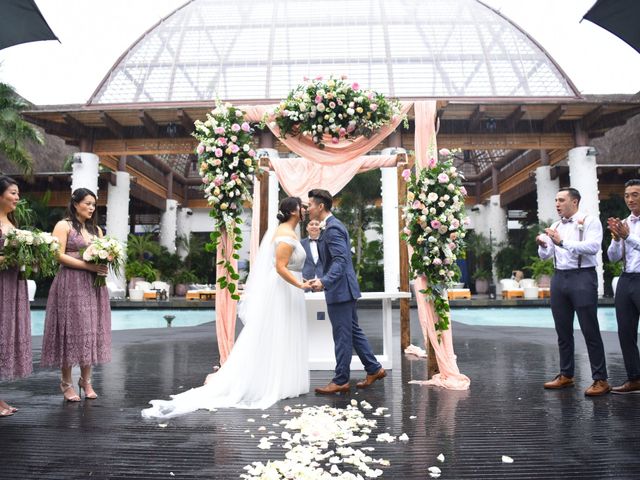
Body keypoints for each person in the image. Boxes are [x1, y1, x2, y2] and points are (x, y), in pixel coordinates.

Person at [142, 197, 311, 419]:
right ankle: (274, 382)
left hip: (290, 289)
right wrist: (300, 284)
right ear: (292, 211)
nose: (305, 210)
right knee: (277, 331)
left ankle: (285, 380)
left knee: (285, 332)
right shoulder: (285, 235)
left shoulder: (290, 232)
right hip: (285, 288)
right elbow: (280, 267)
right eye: (302, 206)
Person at [307, 188, 385, 394]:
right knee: (353, 332)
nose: (308, 209)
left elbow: (340, 261)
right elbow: (335, 261)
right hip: (342, 289)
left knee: (342, 337)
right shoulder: (330, 227)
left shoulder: (332, 229)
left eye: (310, 205)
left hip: (340, 291)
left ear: (320, 206)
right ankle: (374, 368)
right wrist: (323, 279)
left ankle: (341, 379)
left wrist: (324, 282)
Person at [536, 187, 610, 396]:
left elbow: (593, 247)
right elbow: (546, 255)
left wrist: (562, 242)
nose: (557, 204)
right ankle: (566, 374)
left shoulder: (589, 221)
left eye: (561, 200)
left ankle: (600, 379)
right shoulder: (555, 225)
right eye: (556, 200)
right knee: (563, 330)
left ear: (574, 202)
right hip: (559, 278)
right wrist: (543, 245)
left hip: (582, 276)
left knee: (590, 328)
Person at [40, 188, 111, 401]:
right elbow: (57, 255)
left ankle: (86, 381)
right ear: (75, 203)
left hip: (93, 286)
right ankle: (66, 382)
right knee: (70, 330)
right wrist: (88, 267)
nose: (91, 208)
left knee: (90, 330)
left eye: (93, 205)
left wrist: (105, 262)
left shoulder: (97, 230)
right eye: (88, 203)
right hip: (70, 283)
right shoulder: (64, 226)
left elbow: (102, 255)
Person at [0, 176, 32, 417]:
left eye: (18, 193)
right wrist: (9, 257)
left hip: (12, 284)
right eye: (13, 193)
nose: (17, 198)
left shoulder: (12, 222)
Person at [607, 179, 640, 394]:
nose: (630, 199)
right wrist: (618, 239)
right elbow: (612, 258)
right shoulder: (625, 223)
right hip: (626, 279)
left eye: (635, 194)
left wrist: (628, 237)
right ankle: (635, 378)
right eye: (627, 195)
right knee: (625, 332)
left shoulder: (629, 229)